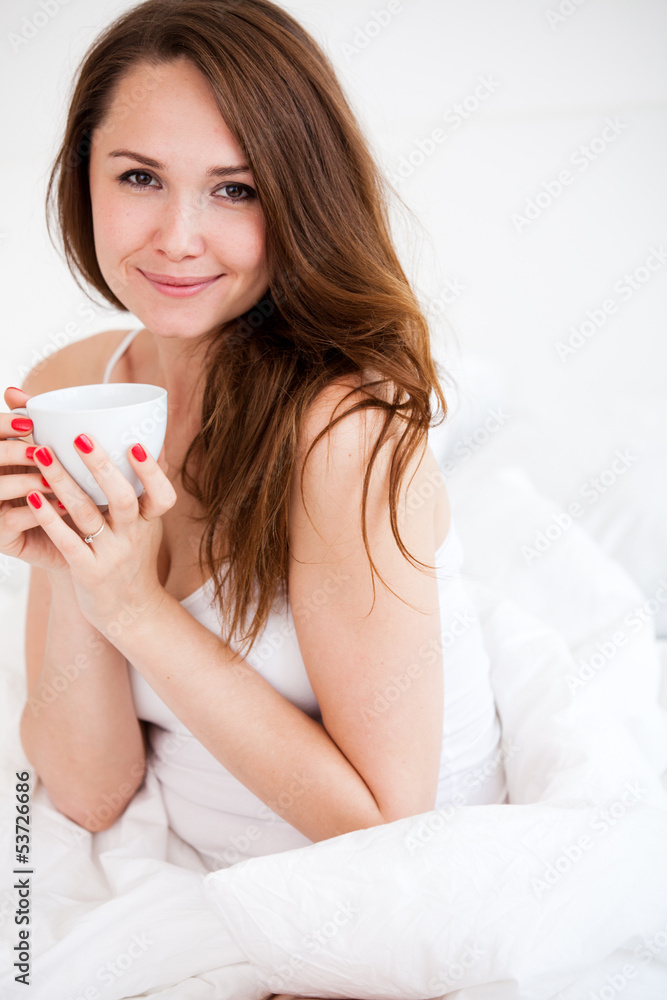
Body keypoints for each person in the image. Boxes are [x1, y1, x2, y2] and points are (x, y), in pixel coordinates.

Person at [1, 0, 506, 880]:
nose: (176, 240)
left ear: (300, 200)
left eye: (234, 190)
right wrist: (78, 571)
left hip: (394, 888)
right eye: (139, 177)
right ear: (85, 179)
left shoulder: (343, 429)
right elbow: (89, 794)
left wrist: (136, 607)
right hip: (193, 870)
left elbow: (385, 828)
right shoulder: (74, 388)